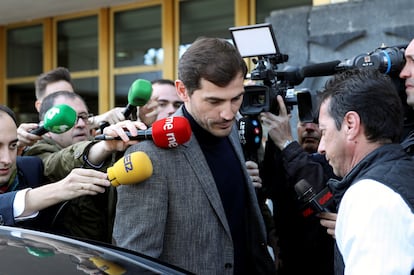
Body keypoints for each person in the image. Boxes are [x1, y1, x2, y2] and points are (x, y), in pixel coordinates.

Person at [112, 37, 276, 275]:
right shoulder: (148, 156)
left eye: (236, 98)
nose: (228, 113)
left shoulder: (231, 130)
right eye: (214, 101)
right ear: (183, 91)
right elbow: (136, 263)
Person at [317, 68, 414, 274]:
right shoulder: (400, 176)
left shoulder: (371, 196)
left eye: (324, 132)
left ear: (350, 125)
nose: (321, 147)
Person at [23, 90, 145, 242]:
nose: (80, 124)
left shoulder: (107, 140)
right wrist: (104, 147)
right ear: (47, 129)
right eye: (69, 119)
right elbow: (56, 163)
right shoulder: (35, 155)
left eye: (83, 117)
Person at [259, 96, 336, 275]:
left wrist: (287, 144)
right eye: (304, 122)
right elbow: (270, 186)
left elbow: (322, 196)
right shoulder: (287, 160)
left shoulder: (337, 165)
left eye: (316, 122)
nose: (309, 127)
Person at [0, 105, 110, 227]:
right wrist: (56, 190)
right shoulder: (52, 188)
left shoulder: (31, 169)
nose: (7, 159)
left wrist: (106, 146)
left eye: (12, 145)